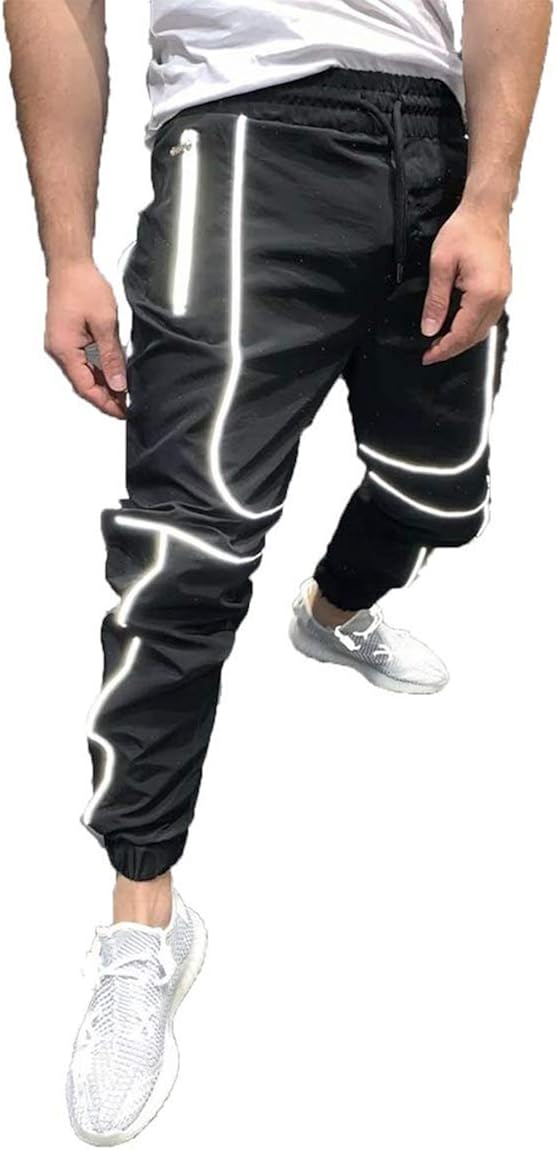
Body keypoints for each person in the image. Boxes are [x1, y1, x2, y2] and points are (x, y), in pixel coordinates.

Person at [4, 0, 551, 1143]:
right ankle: (142, 921)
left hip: (433, 144)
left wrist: (490, 197)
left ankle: (329, 610)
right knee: (182, 560)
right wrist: (66, 254)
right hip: (240, 145)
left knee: (439, 494)